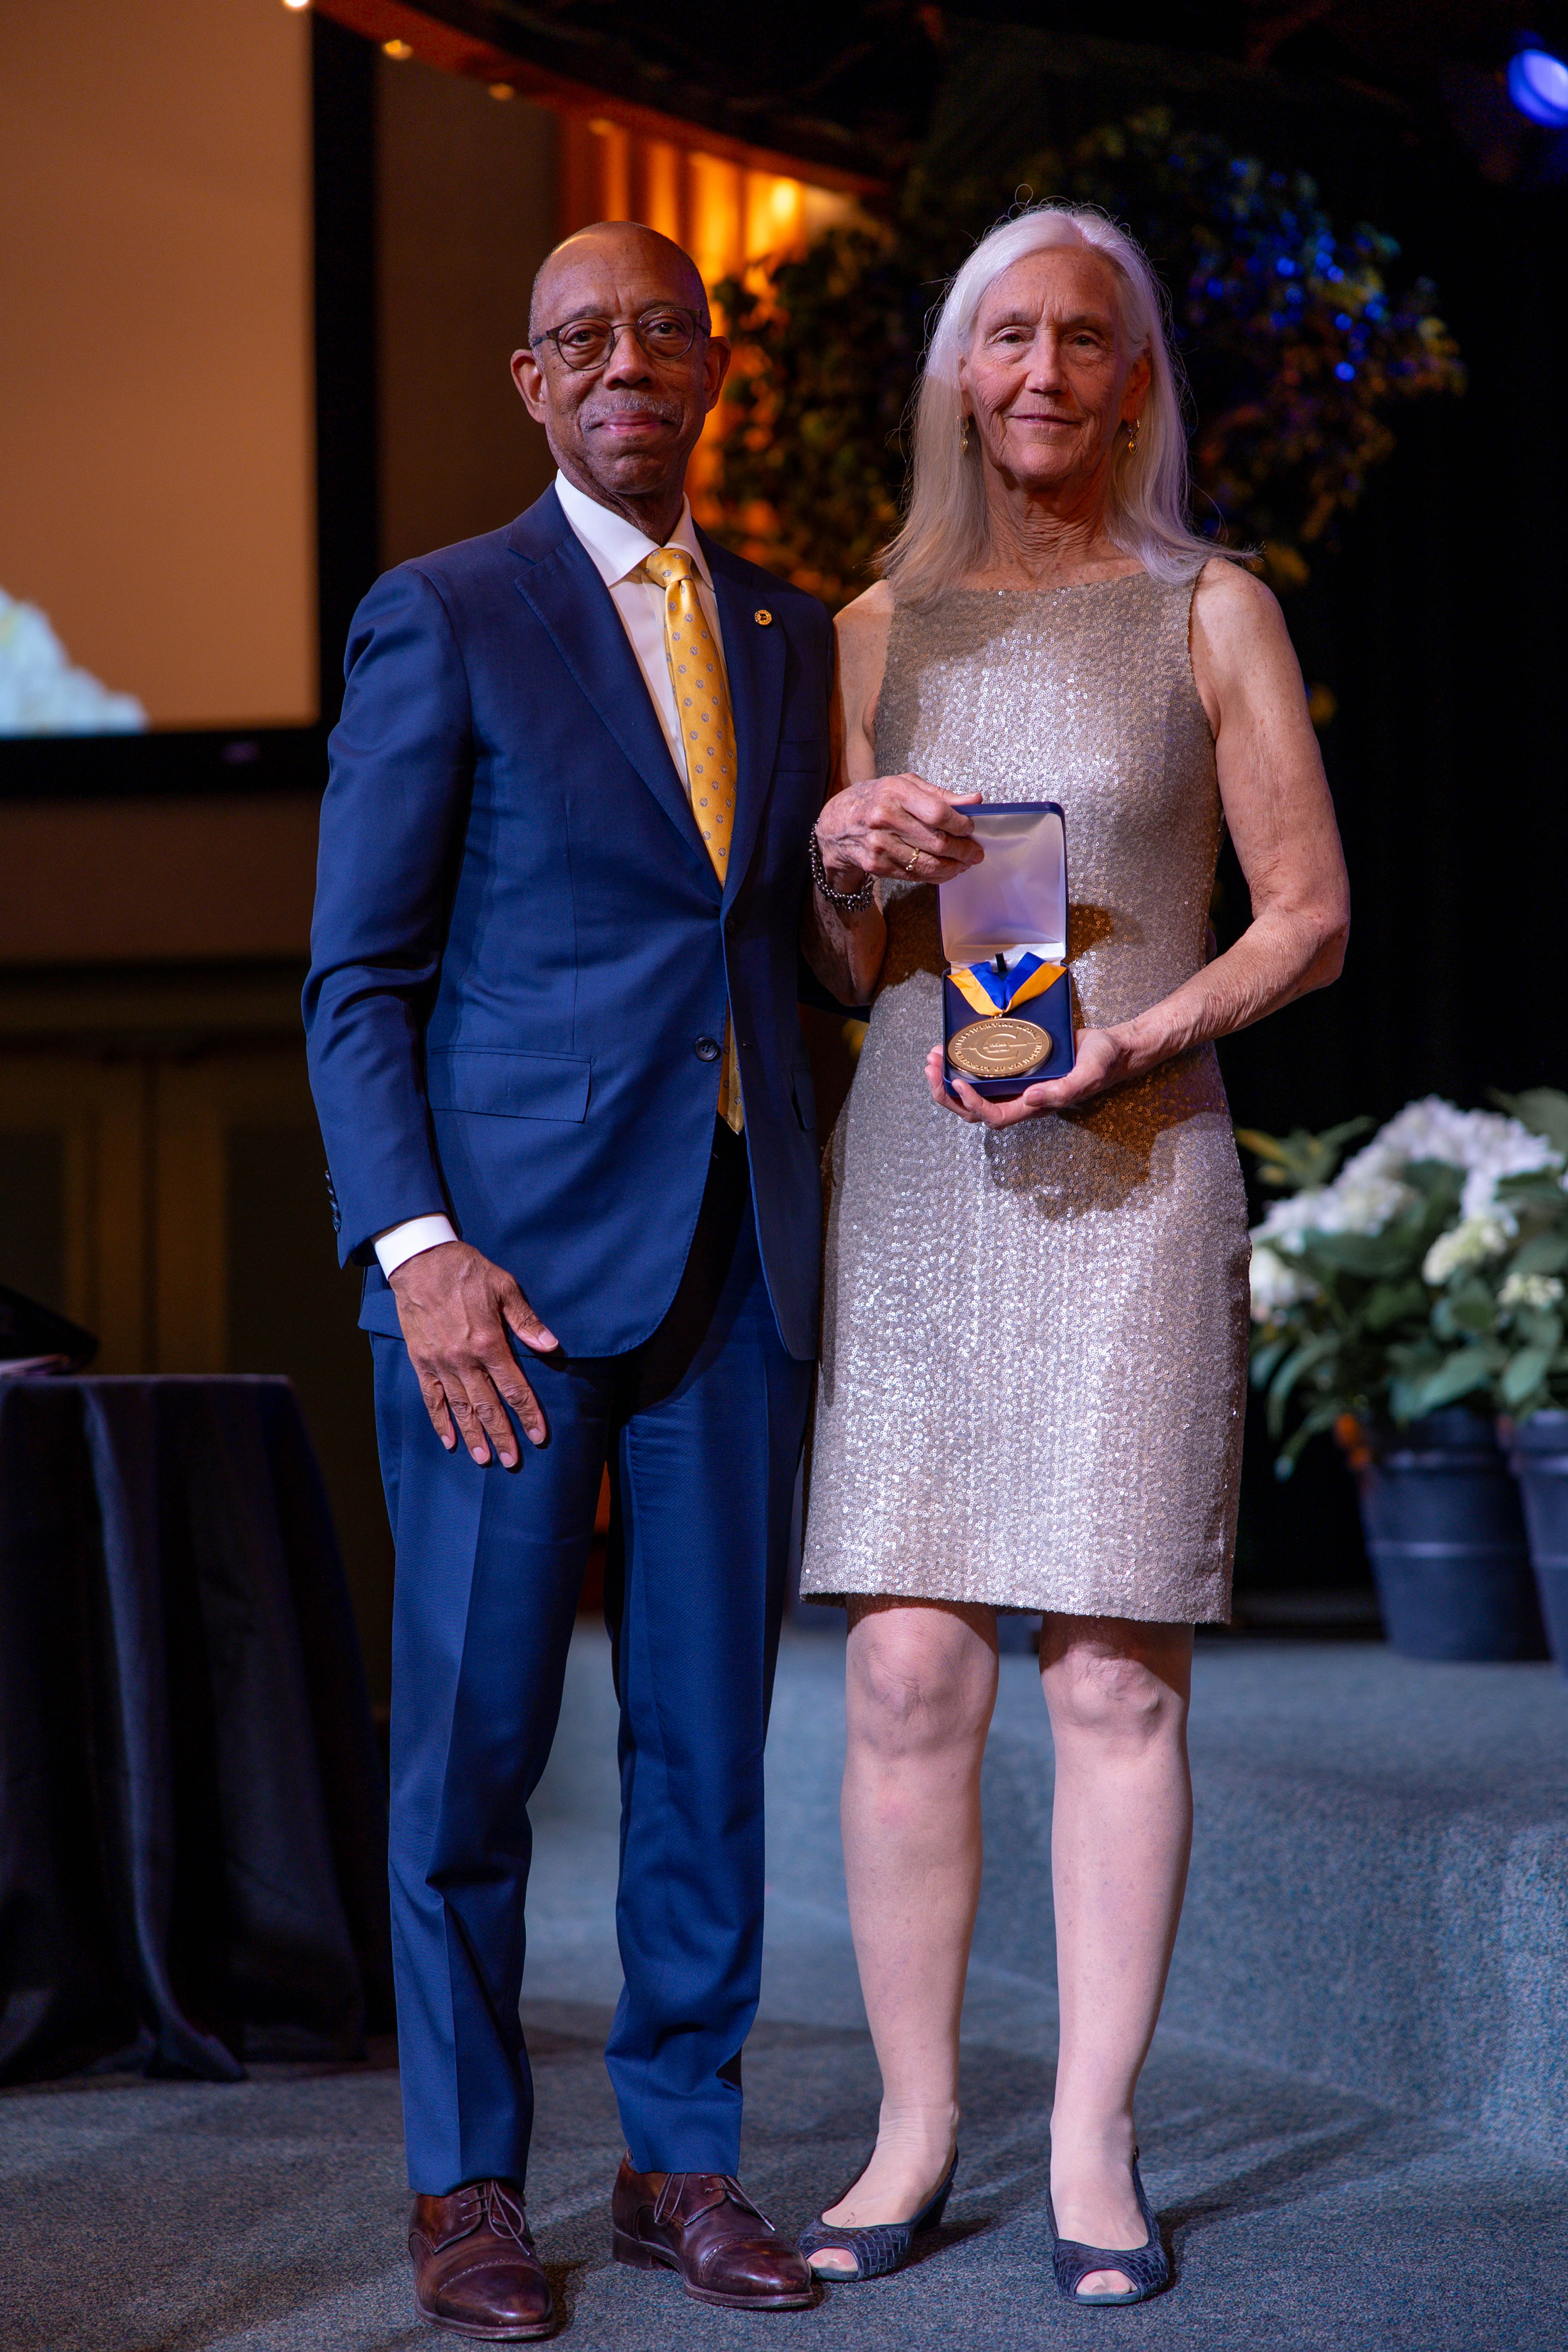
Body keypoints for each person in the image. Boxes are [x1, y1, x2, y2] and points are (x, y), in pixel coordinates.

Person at [794, 202, 1350, 2305]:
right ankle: (916, 2124)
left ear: (1135, 378)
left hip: (1136, 1162)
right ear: (959, 372)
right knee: (909, 1660)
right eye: (1007, 336)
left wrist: (1147, 1031)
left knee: (1112, 1664)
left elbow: (1306, 908)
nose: (1043, 370)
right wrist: (845, 864)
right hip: (929, 1173)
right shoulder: (865, 631)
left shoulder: (1215, 607)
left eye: (1084, 339)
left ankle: (1093, 2140)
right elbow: (845, 969)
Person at [304, 221, 831, 2338]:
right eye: (581, 335)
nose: (628, 358)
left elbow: (780, 939)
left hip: (737, 1258)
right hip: (497, 1294)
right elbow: (359, 977)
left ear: (713, 370)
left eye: (662, 328)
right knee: (471, 1747)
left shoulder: (788, 626)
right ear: (533, 383)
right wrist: (419, 1253)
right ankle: (466, 2184)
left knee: (707, 1740)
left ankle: (680, 2160)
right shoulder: (445, 612)